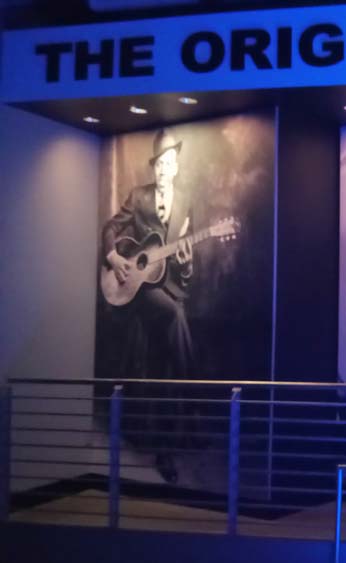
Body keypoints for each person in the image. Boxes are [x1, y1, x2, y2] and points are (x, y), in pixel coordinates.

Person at [100, 129, 195, 484]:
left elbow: (186, 263)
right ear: (154, 167)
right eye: (159, 163)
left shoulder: (186, 201)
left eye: (170, 162)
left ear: (176, 166)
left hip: (169, 286)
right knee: (176, 316)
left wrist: (186, 262)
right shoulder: (139, 197)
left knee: (174, 323)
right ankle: (192, 391)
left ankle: (169, 439)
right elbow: (111, 228)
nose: (164, 169)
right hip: (140, 290)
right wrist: (114, 257)